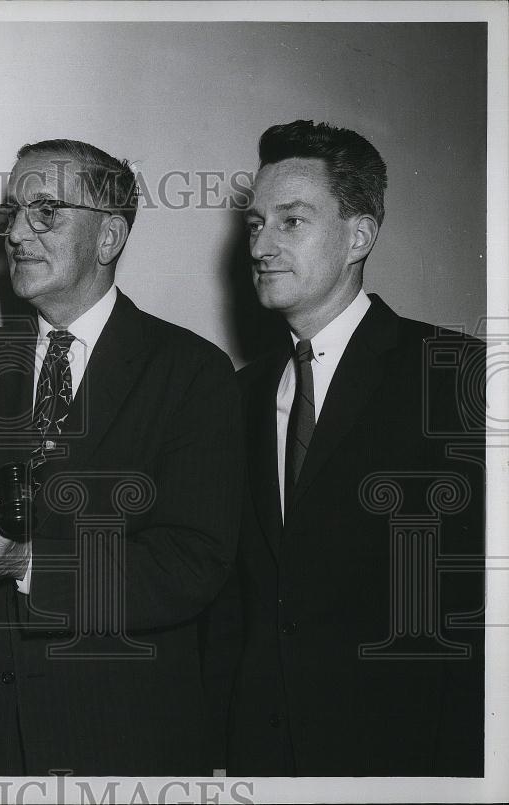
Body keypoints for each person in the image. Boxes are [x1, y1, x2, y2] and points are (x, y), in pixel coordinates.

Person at [0, 139, 244, 775]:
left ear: (108, 238)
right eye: (10, 213)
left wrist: (31, 564)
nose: (16, 233)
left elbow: (191, 564)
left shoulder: (193, 373)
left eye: (45, 212)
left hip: (125, 745)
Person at [208, 120, 485, 776]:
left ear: (359, 235)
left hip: (412, 763)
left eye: (292, 222)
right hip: (266, 763)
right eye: (255, 224)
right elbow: (238, 601)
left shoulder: (452, 374)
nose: (262, 244)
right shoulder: (239, 396)